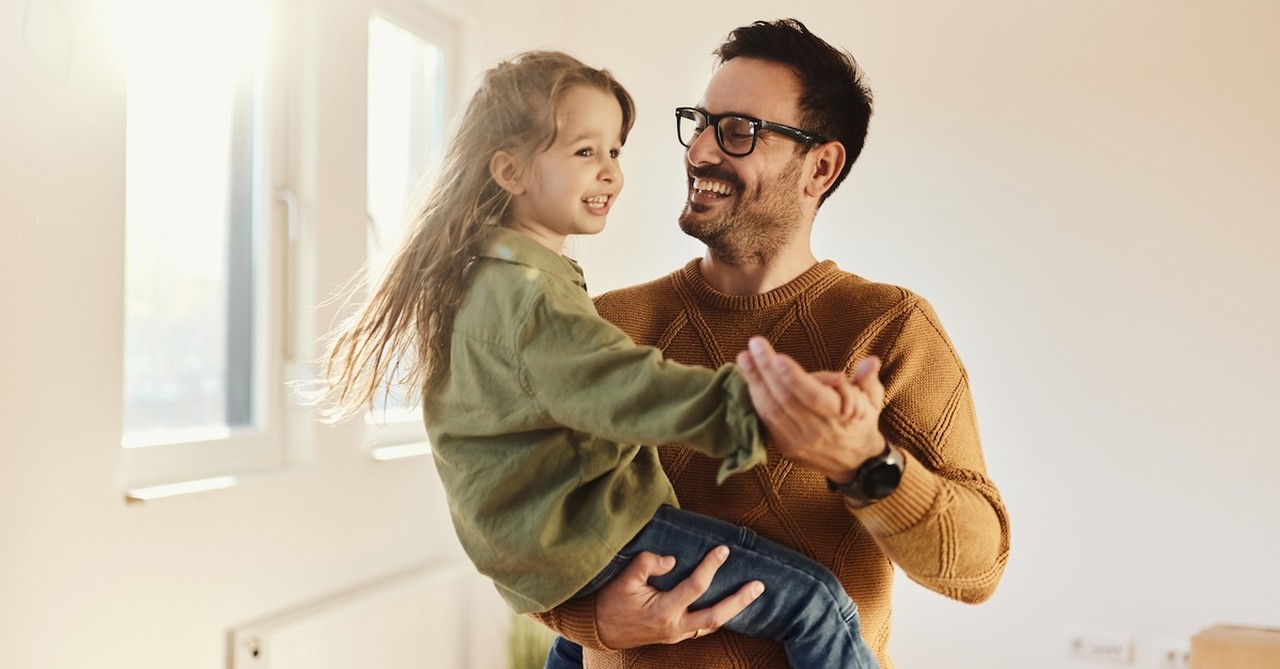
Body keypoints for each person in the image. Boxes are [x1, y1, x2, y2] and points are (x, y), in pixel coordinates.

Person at [316, 50, 880, 669]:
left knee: (570, 645)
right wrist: (767, 407)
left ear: (822, 166)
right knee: (819, 603)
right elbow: (628, 388)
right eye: (585, 152)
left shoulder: (488, 282)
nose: (611, 172)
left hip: (548, 550)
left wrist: (876, 468)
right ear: (510, 171)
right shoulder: (531, 301)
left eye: (615, 151)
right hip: (590, 535)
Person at [532, 19, 1012, 669]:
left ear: (820, 165)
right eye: (699, 123)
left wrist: (866, 463)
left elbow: (978, 569)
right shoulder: (606, 326)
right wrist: (588, 618)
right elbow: (518, 517)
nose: (700, 151)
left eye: (738, 131)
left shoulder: (888, 329)